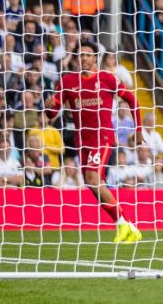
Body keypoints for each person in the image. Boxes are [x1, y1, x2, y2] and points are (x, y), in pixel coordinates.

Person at [45, 41, 143, 243]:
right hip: (82, 140)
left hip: (103, 136)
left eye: (87, 55)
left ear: (95, 58)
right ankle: (128, 226)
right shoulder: (67, 81)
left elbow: (132, 100)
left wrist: (138, 129)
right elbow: (52, 113)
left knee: (92, 180)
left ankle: (123, 223)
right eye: (80, 55)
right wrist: (48, 107)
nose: (83, 58)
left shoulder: (107, 79)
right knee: (93, 184)